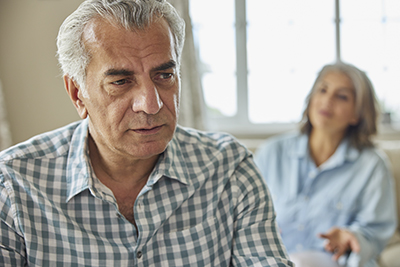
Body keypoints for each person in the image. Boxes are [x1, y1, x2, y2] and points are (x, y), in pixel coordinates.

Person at [0, 0, 293, 266]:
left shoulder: (229, 168)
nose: (150, 105)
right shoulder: (13, 185)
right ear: (78, 94)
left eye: (164, 76)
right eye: (121, 81)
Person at [255, 62, 397, 267]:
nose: (327, 101)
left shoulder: (372, 166)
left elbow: (376, 232)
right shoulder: (271, 152)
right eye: (322, 90)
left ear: (357, 113)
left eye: (342, 96)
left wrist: (351, 236)